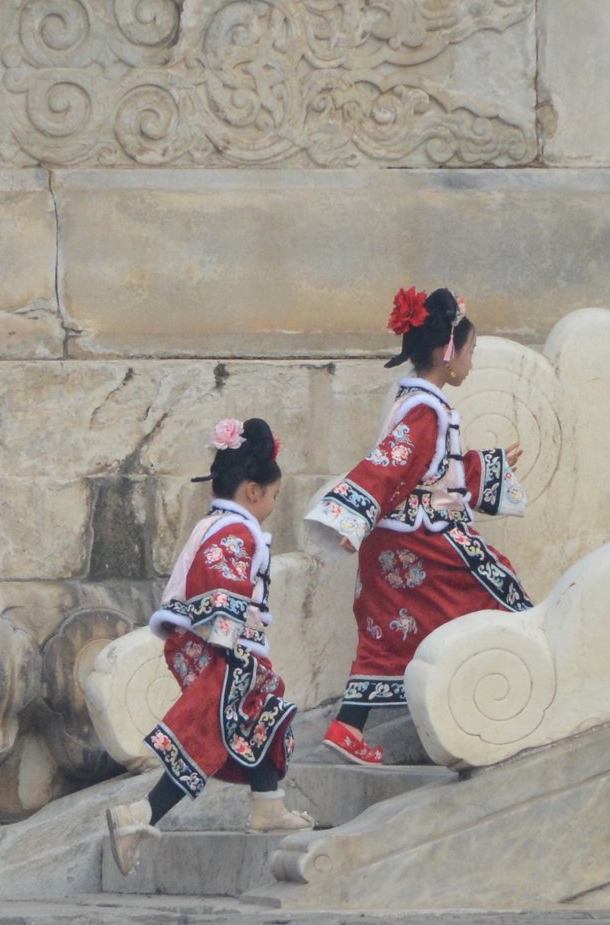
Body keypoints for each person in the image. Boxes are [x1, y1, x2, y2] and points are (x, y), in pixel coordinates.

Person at [305, 286, 532, 766]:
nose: (471, 361)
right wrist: (353, 518)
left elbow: (433, 473)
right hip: (422, 543)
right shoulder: (426, 412)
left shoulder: (421, 405)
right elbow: (390, 466)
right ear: (448, 353)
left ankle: (348, 727)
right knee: (498, 590)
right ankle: (512, 694)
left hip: (401, 540)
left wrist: (488, 466)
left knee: (388, 634)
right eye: (471, 351)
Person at [106, 419, 313, 876]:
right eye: (275, 497)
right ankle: (139, 816)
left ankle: (267, 805)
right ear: (254, 491)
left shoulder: (218, 524)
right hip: (225, 648)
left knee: (259, 715)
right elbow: (220, 586)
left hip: (220, 645)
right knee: (209, 735)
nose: (273, 506)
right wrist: (231, 643)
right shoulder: (235, 532)